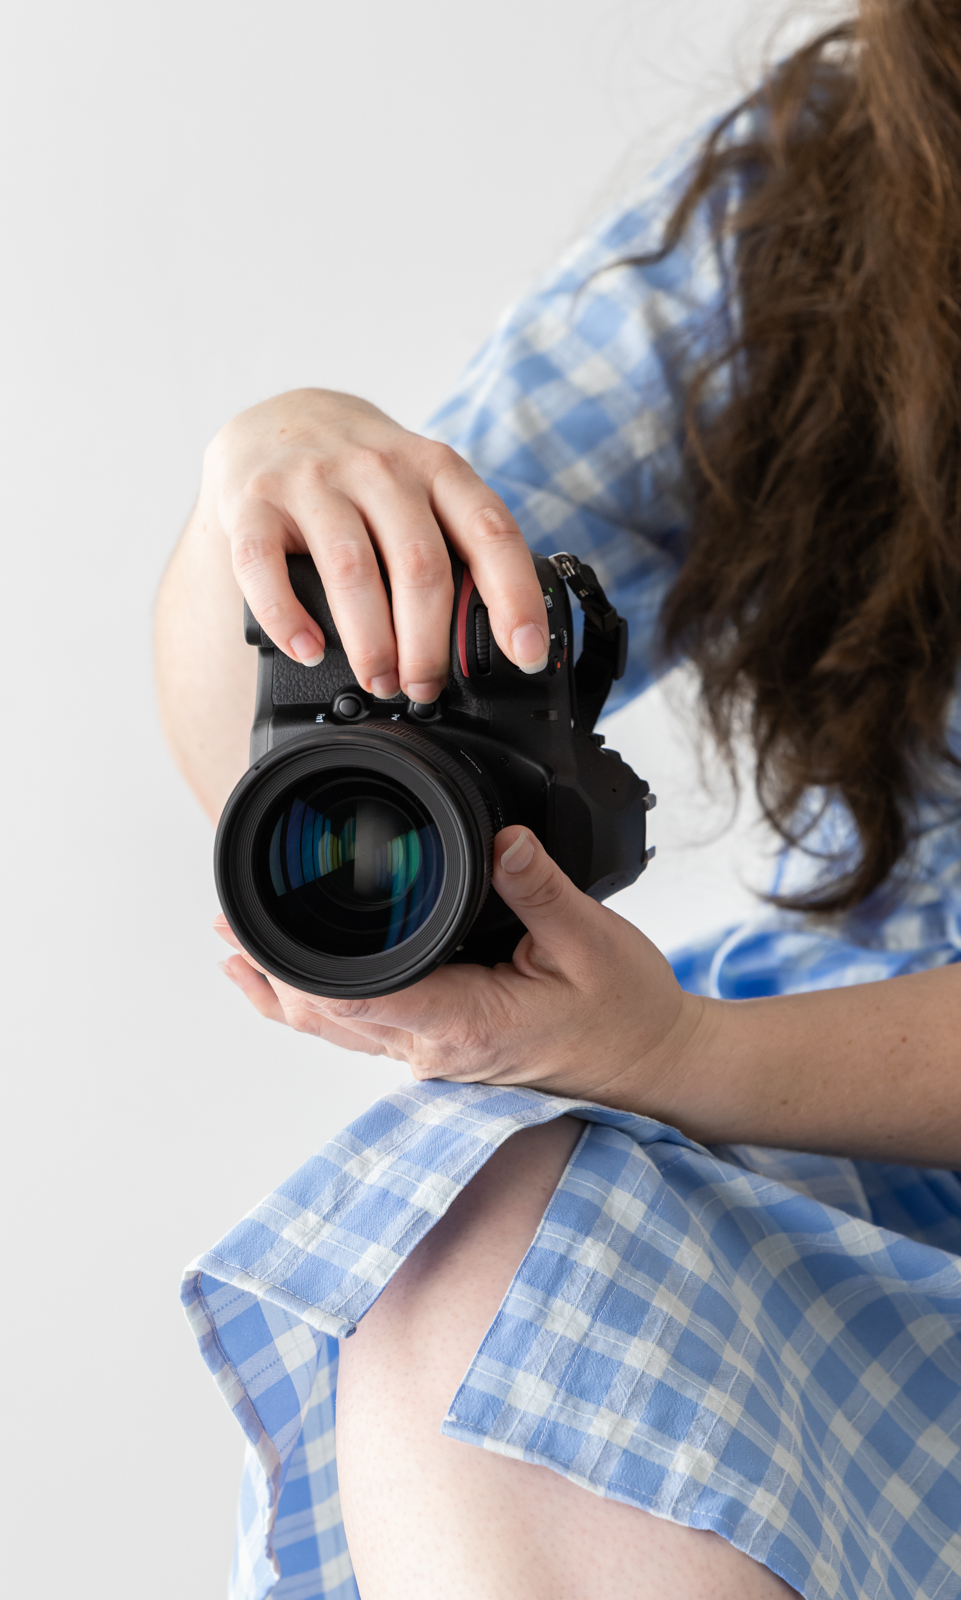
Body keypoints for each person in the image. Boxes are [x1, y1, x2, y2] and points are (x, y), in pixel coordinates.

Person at [155, 6, 961, 1597]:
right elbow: (295, 721)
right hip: (860, 1138)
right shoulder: (856, 196)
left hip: (842, 1094)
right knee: (489, 1252)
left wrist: (689, 1057)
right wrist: (267, 484)